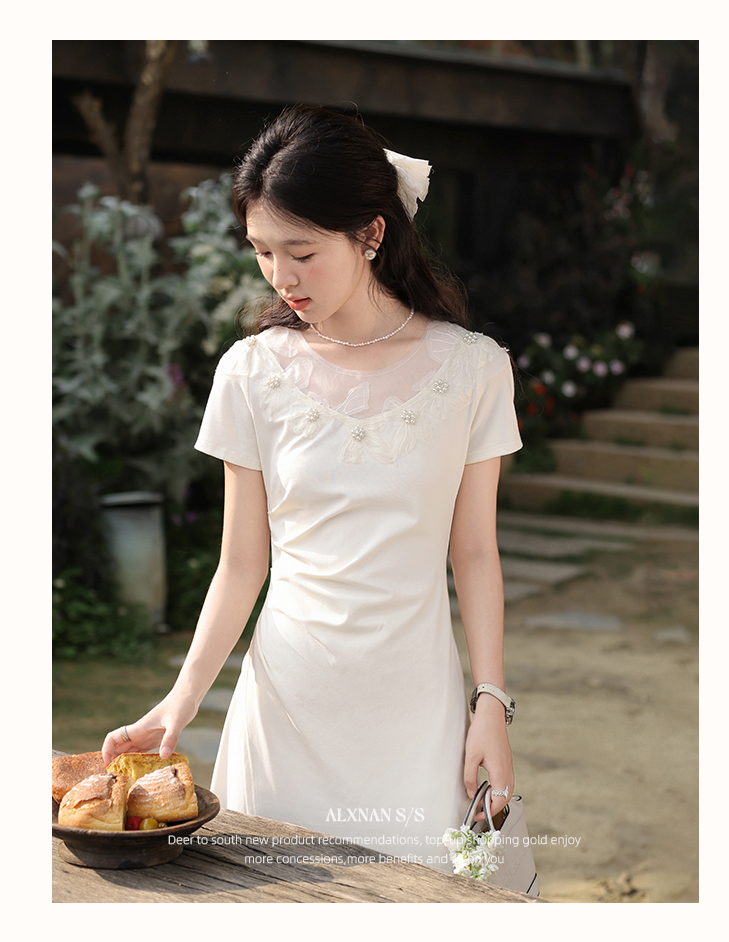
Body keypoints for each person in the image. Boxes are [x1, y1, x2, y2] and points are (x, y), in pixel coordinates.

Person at [102, 105, 523, 873]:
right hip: (285, 709)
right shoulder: (251, 371)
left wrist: (491, 700)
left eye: (301, 251)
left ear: (371, 233)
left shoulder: (473, 369)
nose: (281, 277)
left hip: (414, 705)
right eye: (263, 251)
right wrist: (181, 700)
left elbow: (475, 554)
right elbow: (241, 564)